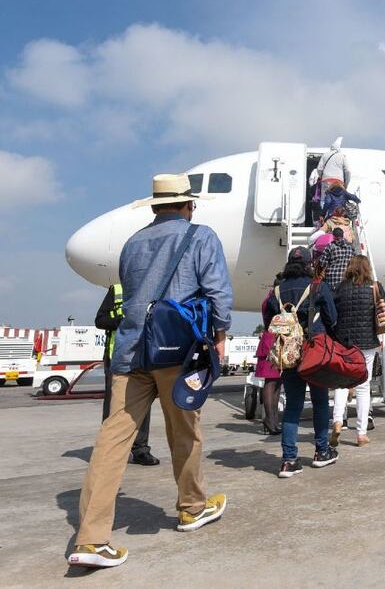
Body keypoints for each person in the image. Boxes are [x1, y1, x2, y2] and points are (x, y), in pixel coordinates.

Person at [69, 174, 232, 569]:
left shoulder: (132, 243)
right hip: (176, 351)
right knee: (185, 432)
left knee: (112, 441)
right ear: (189, 204)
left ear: (155, 206)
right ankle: (192, 507)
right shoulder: (201, 236)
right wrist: (221, 336)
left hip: (130, 354)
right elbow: (217, 292)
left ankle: (90, 540)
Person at [263, 246, 339, 478]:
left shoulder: (276, 291)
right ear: (308, 263)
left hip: (289, 353)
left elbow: (269, 321)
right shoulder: (317, 286)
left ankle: (289, 460)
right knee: (320, 402)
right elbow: (333, 318)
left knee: (293, 406)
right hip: (313, 352)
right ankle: (321, 451)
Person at [330, 255, 385, 446]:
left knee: (342, 383)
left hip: (344, 343)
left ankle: (338, 421)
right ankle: (361, 433)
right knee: (363, 387)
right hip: (367, 343)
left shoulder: (340, 288)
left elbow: (332, 314)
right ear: (367, 268)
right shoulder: (374, 286)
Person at [95, 283, 158, 466]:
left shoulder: (153, 289)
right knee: (113, 407)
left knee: (143, 406)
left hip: (143, 356)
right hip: (117, 357)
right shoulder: (116, 290)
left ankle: (140, 450)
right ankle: (109, 451)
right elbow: (100, 321)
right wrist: (125, 317)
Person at [254, 286, 282, 434]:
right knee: (271, 383)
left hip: (269, 339)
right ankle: (270, 420)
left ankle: (273, 420)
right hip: (274, 341)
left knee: (276, 383)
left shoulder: (267, 300)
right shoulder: (275, 300)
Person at [309, 136, 350, 217]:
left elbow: (319, 169)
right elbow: (347, 171)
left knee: (324, 199)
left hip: (326, 180)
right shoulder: (342, 156)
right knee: (339, 199)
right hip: (339, 182)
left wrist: (322, 177)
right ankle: (336, 216)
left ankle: (325, 215)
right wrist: (346, 183)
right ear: (339, 148)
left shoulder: (325, 155)